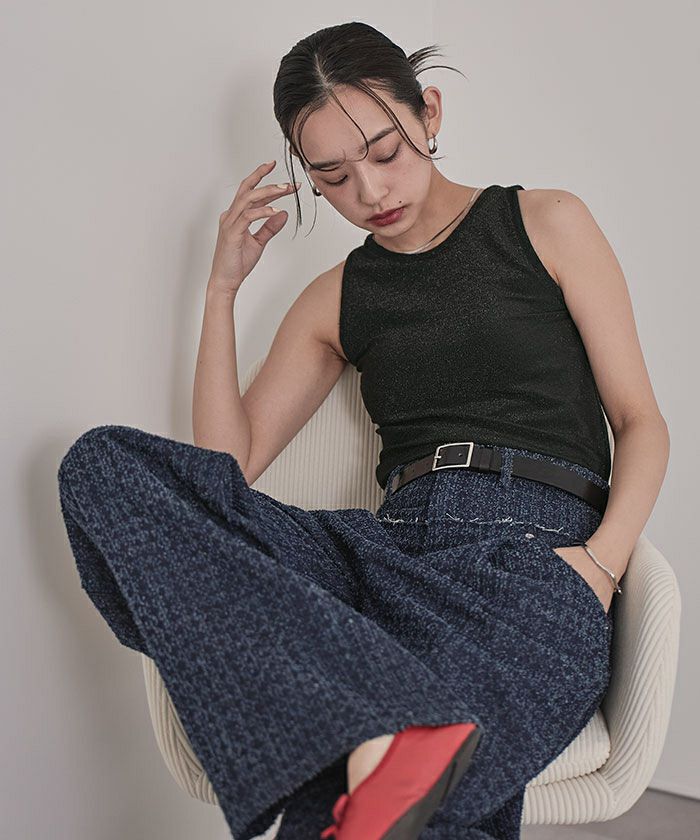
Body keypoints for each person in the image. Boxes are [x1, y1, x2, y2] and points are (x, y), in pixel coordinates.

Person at [56, 20, 670, 840]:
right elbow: (222, 474)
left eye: (385, 152)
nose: (371, 192)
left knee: (366, 812)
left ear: (430, 114)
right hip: (385, 556)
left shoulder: (546, 221)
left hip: (531, 560)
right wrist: (221, 291)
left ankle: (377, 732)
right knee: (103, 465)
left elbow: (641, 422)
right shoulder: (335, 296)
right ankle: (386, 720)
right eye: (334, 176)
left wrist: (598, 567)